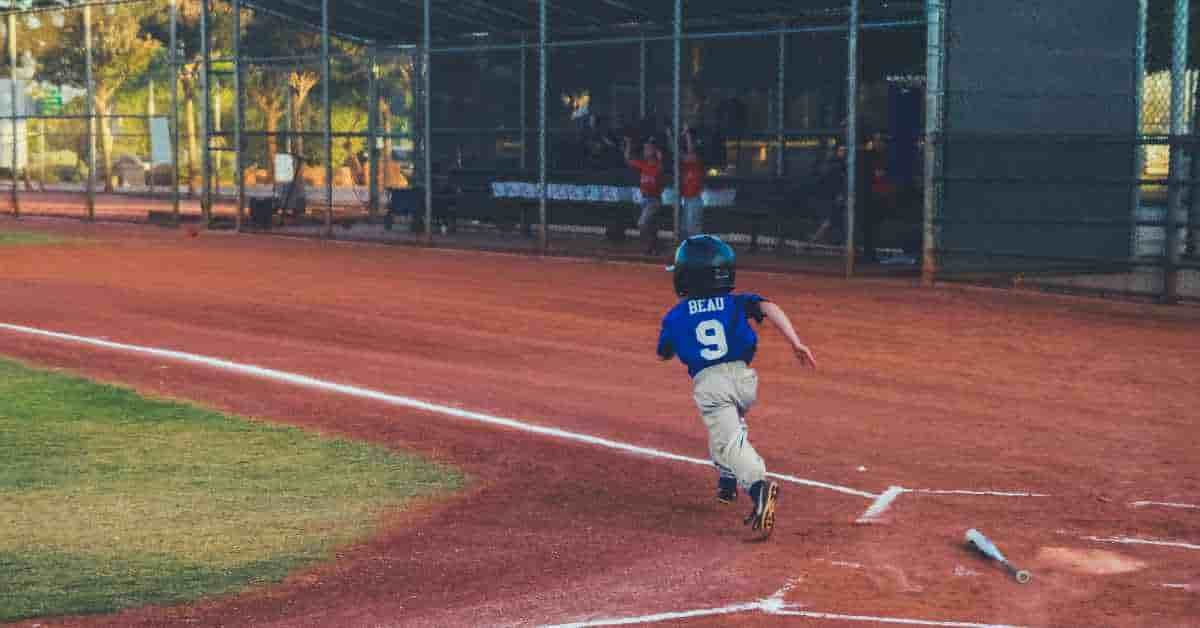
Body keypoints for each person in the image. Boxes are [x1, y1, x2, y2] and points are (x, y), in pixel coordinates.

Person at [656, 235, 817, 539]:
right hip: (744, 380)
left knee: (731, 442)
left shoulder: (675, 315)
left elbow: (664, 352)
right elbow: (769, 307)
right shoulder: (736, 301)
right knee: (726, 435)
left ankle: (759, 488)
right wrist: (795, 342)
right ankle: (728, 480)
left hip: (711, 385)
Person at [625, 136, 666, 255]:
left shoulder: (658, 166)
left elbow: (661, 171)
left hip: (654, 200)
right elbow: (628, 159)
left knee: (642, 224)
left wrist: (659, 157)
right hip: (645, 200)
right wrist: (628, 144)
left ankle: (651, 246)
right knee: (651, 226)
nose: (645, 151)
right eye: (644, 149)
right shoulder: (643, 164)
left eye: (648, 149)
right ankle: (652, 248)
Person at [678, 125, 706, 239]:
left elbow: (690, 151)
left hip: (695, 199)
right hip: (686, 199)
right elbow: (680, 153)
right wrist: (671, 135)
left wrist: (687, 134)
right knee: (684, 228)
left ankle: (696, 251)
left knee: (692, 228)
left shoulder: (698, 162)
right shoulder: (686, 165)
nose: (688, 156)